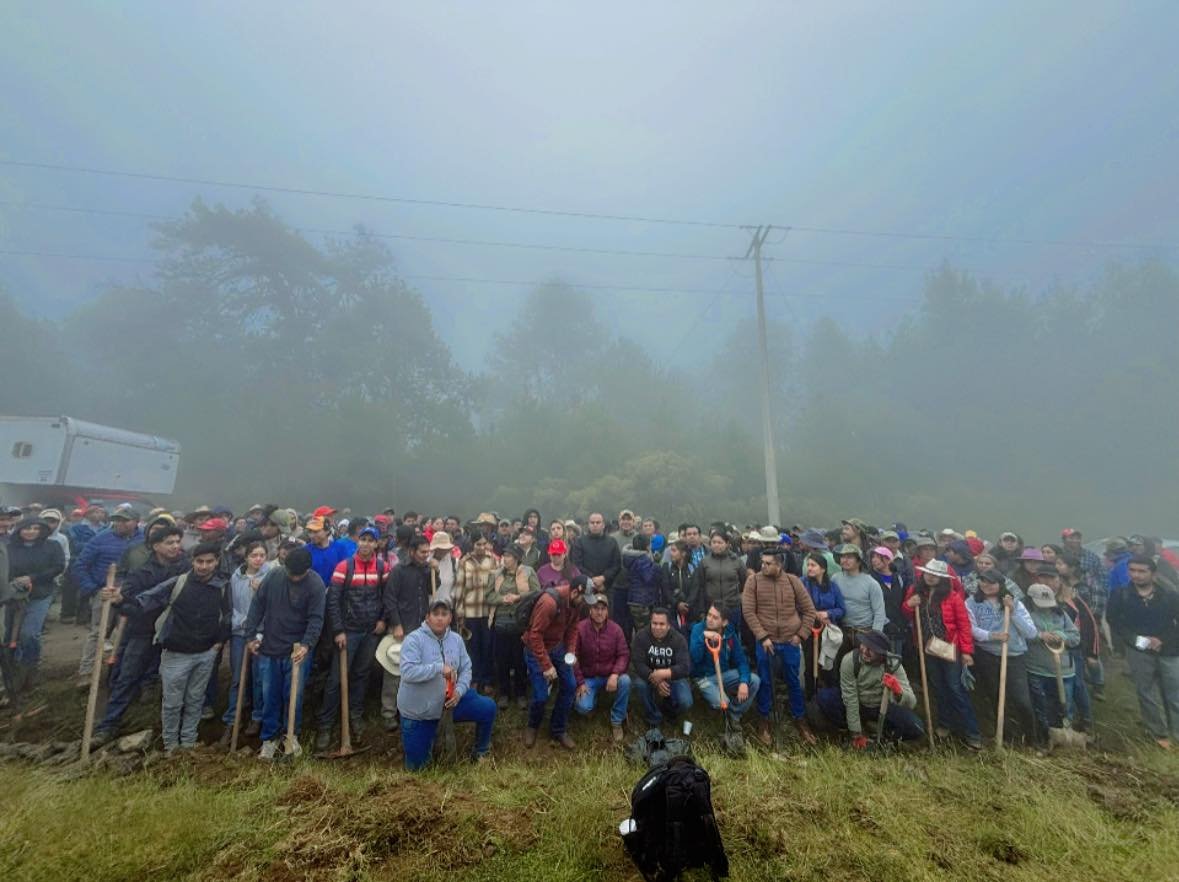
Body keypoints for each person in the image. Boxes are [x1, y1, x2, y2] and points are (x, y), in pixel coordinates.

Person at [90, 524, 190, 745]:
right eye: (169, 542)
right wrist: (119, 600)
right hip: (143, 631)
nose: (175, 546)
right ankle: (108, 725)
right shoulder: (141, 573)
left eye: (177, 542)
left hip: (177, 632)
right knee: (127, 676)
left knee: (177, 680)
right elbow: (126, 605)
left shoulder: (187, 568)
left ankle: (177, 729)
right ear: (155, 546)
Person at [131, 541, 230, 753]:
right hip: (175, 653)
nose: (204, 566)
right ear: (192, 561)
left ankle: (188, 743)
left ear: (217, 562)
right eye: (199, 561)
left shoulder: (222, 586)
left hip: (206, 653)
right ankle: (170, 747)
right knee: (172, 703)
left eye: (209, 562)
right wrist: (119, 599)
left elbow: (228, 616)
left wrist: (218, 644)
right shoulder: (178, 583)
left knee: (195, 700)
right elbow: (147, 599)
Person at [244, 546, 327, 760]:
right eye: (292, 573)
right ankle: (269, 738)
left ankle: (291, 735)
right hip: (270, 647)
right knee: (269, 694)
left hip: (297, 650)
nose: (295, 578)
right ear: (285, 566)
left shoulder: (315, 584)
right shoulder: (274, 576)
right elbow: (257, 606)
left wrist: (307, 645)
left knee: (294, 696)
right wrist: (250, 636)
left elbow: (316, 618)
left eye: (299, 575)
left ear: (307, 570)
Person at [397, 599, 498, 770]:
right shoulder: (413, 640)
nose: (440, 618)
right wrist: (437, 668)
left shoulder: (456, 640)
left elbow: (466, 668)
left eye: (444, 614)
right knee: (417, 769)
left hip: (451, 703)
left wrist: (459, 691)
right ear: (427, 617)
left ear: (450, 618)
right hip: (420, 711)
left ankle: (480, 752)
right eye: (435, 614)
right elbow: (408, 672)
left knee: (487, 707)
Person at [315, 526, 387, 750]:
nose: (365, 544)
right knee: (337, 678)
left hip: (370, 632)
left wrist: (382, 620)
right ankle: (325, 725)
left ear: (376, 544)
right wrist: (338, 630)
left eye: (370, 540)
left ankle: (355, 717)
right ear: (357, 542)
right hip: (349, 632)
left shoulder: (382, 567)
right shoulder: (344, 567)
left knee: (361, 675)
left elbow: (386, 597)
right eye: (362, 539)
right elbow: (333, 601)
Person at [742, 548, 817, 746]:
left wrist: (801, 635)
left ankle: (800, 719)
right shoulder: (754, 582)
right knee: (765, 681)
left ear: (779, 564)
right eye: (762, 562)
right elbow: (749, 612)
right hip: (766, 642)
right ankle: (764, 720)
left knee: (794, 681)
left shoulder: (793, 581)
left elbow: (809, 610)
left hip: (790, 642)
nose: (763, 566)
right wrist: (763, 636)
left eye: (768, 563)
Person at [903, 559, 982, 750]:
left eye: (935, 575)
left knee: (955, 688)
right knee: (938, 687)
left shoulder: (953, 597)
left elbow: (964, 625)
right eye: (927, 574)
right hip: (927, 648)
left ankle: (972, 732)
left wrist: (967, 652)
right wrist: (908, 605)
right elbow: (906, 614)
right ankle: (945, 724)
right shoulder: (916, 592)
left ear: (942, 578)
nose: (930, 577)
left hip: (950, 648)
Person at [1107, 555, 1179, 749]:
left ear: (1153, 573)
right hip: (1138, 649)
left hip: (1170, 649)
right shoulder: (1120, 595)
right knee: (1146, 692)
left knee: (1174, 692)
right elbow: (1114, 621)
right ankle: (1158, 733)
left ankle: (1177, 733)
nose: (1136, 575)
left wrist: (1162, 639)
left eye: (1142, 571)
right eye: (1133, 571)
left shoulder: (1169, 595)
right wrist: (1136, 639)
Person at [965, 568, 1038, 745]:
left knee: (1022, 700)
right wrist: (992, 636)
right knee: (996, 697)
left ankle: (1031, 739)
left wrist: (1012, 611)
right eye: (983, 581)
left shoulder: (1015, 604)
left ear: (1001, 584)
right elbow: (971, 629)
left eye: (991, 582)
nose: (986, 585)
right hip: (987, 655)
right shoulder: (971, 602)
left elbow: (1031, 633)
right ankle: (1006, 737)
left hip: (1014, 655)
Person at [817, 629, 924, 746]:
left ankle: (884, 734)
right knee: (825, 697)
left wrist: (898, 691)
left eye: (872, 649)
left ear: (882, 653)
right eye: (864, 645)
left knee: (916, 727)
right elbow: (850, 699)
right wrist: (856, 734)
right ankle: (851, 728)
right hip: (859, 704)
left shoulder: (894, 664)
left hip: (883, 707)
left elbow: (912, 703)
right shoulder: (850, 660)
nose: (865, 651)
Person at [74, 508, 142, 684]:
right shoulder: (101, 538)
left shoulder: (144, 540)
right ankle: (86, 672)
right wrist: (92, 589)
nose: (120, 523)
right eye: (117, 520)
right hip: (104, 590)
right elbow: (81, 564)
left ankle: (119, 671)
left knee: (128, 632)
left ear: (136, 522)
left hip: (130, 592)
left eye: (125, 520)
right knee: (98, 632)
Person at [521, 577, 587, 749]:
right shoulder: (549, 603)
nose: (586, 604)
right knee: (541, 695)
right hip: (536, 649)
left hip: (557, 647)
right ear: (574, 592)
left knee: (570, 686)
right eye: (584, 598)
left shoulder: (577, 602)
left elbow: (573, 628)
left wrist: (571, 651)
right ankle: (533, 725)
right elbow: (535, 636)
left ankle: (558, 728)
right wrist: (547, 666)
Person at [219, 540, 272, 743]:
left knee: (259, 677)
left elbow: (272, 606)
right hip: (240, 632)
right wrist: (242, 622)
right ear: (246, 557)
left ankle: (258, 717)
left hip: (261, 634)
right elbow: (232, 605)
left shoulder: (271, 576)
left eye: (261, 555)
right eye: (254, 555)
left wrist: (262, 591)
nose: (258, 559)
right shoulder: (236, 576)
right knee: (238, 678)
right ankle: (233, 719)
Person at [4, 517, 66, 692]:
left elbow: (58, 567)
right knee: (9, 635)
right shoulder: (9, 548)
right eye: (26, 528)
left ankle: (30, 667)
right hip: (12, 596)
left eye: (35, 528)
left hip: (40, 593)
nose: (31, 531)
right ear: (19, 530)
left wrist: (33, 578)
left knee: (29, 634)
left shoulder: (52, 546)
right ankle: (11, 671)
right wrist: (13, 582)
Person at [380, 536, 432, 729]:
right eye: (422, 552)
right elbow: (390, 598)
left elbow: (433, 589)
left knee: (416, 670)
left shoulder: (427, 570)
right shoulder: (399, 571)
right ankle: (388, 712)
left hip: (421, 628)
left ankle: (410, 709)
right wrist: (396, 624)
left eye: (428, 552)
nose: (425, 555)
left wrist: (433, 572)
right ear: (412, 551)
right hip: (402, 627)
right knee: (394, 670)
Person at [1023, 582, 1081, 749]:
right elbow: (1022, 635)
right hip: (1037, 668)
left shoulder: (1061, 614)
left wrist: (1060, 635)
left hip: (1064, 670)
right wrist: (1041, 636)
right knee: (1041, 706)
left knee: (1065, 706)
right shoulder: (1026, 615)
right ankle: (1044, 737)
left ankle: (1066, 737)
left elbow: (1075, 637)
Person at [573, 590, 631, 742]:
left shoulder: (616, 629)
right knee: (582, 708)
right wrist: (579, 682)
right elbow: (573, 657)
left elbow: (624, 654)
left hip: (609, 675)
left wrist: (615, 674)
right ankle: (593, 701)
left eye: (603, 609)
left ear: (607, 611)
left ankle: (617, 719)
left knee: (625, 681)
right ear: (590, 610)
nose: (599, 612)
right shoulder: (579, 628)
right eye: (596, 608)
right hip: (588, 677)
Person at [486, 545, 539, 710]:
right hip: (500, 622)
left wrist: (518, 597)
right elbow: (488, 596)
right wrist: (502, 599)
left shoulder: (528, 572)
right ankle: (504, 693)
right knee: (501, 660)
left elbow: (537, 593)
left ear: (516, 558)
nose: (505, 559)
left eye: (508, 556)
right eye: (504, 555)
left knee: (520, 660)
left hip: (520, 623)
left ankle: (521, 693)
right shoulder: (496, 574)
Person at [690, 604, 760, 722]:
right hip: (702, 678)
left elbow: (741, 661)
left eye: (715, 617)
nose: (709, 619)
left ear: (724, 622)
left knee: (754, 680)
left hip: (723, 676)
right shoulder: (698, 629)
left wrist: (743, 682)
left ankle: (734, 714)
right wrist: (703, 637)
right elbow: (694, 658)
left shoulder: (730, 634)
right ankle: (721, 707)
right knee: (721, 701)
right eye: (709, 615)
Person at [1053, 553, 1101, 722]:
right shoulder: (1042, 601)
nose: (1052, 583)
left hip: (1074, 649)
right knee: (1061, 686)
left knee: (1077, 684)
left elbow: (1090, 627)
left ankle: (1086, 720)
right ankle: (1067, 719)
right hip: (1053, 650)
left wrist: (1091, 653)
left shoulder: (1075, 601)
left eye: (1055, 579)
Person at [454, 533, 497, 695]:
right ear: (472, 545)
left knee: (487, 646)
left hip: (488, 612)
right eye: (478, 544)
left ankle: (487, 679)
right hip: (470, 611)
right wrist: (459, 610)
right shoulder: (464, 562)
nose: (481, 547)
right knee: (472, 647)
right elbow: (459, 587)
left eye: (483, 544)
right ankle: (474, 679)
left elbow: (496, 584)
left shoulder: (493, 560)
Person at [801, 552, 845, 696]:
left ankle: (830, 696)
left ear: (823, 569)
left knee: (828, 665)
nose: (809, 568)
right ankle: (810, 695)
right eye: (808, 565)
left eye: (813, 565)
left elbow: (842, 609)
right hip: (808, 629)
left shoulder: (833, 587)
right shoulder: (802, 583)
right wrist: (814, 614)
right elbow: (796, 605)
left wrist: (828, 614)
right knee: (810, 664)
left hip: (828, 632)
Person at [571, 512, 621, 625]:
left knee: (607, 622)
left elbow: (616, 565)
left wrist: (604, 578)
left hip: (606, 587)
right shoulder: (580, 542)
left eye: (598, 522)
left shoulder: (612, 542)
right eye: (592, 522)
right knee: (585, 622)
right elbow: (577, 565)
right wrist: (593, 579)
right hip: (586, 589)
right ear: (588, 525)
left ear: (603, 525)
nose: (595, 525)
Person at [830, 543, 886, 641]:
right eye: (843, 557)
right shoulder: (835, 579)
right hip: (841, 631)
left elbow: (879, 612)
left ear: (859, 561)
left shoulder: (871, 583)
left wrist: (875, 637)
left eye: (850, 557)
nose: (845, 560)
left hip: (864, 632)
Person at [691, 530, 746, 624]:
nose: (716, 545)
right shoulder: (705, 562)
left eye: (720, 542)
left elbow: (744, 582)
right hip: (712, 608)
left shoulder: (736, 561)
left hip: (732, 607)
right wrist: (701, 610)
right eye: (714, 542)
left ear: (727, 544)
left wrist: (739, 598)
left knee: (732, 635)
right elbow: (701, 586)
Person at [624, 534, 668, 632]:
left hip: (634, 598)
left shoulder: (631, 557)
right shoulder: (642, 560)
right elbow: (648, 578)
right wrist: (656, 565)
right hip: (642, 601)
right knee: (644, 630)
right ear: (647, 546)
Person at [303, 517, 351, 587]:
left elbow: (347, 573)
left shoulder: (340, 549)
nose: (312, 535)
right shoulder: (305, 551)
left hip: (335, 593)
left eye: (316, 531)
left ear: (327, 531)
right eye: (310, 532)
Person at [662, 539, 695, 635]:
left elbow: (695, 589)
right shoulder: (666, 567)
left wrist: (687, 605)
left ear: (683, 553)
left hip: (688, 612)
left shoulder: (692, 568)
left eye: (674, 550)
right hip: (671, 611)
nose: (671, 553)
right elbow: (665, 589)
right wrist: (677, 604)